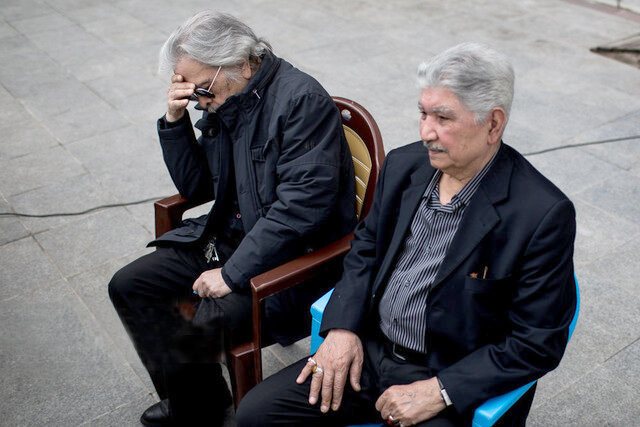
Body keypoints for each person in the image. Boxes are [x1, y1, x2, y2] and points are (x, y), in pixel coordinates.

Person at [236, 42, 577, 427]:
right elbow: (365, 249)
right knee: (255, 415)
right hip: (370, 349)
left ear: (493, 124)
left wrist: (441, 390)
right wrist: (343, 326)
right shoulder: (405, 165)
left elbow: (537, 342)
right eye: (423, 113)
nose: (426, 131)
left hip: (446, 375)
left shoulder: (541, 214)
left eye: (443, 118)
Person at [108, 10, 356, 426]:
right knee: (131, 285)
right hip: (232, 235)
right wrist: (175, 122)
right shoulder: (229, 98)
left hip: (290, 259)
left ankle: (196, 409)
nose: (199, 100)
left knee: (195, 325)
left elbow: (301, 211)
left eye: (202, 88)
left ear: (241, 63)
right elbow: (196, 185)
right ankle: (199, 401)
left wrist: (231, 273)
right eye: (190, 90)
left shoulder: (301, 102)